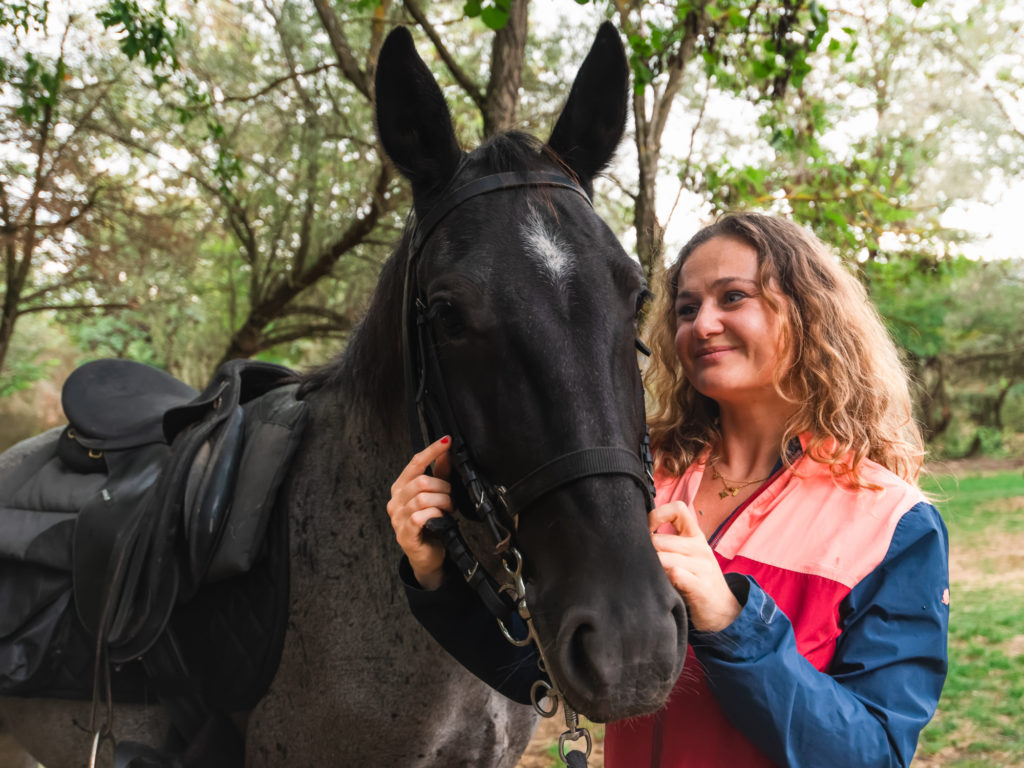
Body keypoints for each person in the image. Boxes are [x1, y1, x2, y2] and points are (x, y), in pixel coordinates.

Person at [387, 212, 949, 767]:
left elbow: (873, 753)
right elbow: (547, 668)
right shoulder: (640, 480)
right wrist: (436, 572)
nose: (701, 324)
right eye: (686, 307)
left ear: (809, 314)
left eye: (733, 297)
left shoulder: (893, 523)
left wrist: (731, 622)